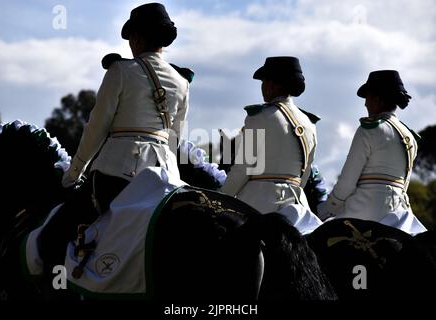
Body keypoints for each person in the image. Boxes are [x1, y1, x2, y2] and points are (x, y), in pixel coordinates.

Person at [61, 2, 189, 213]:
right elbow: (175, 138)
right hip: (168, 177)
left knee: (71, 219)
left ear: (137, 38)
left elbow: (97, 127)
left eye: (131, 38)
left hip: (118, 173)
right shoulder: (182, 82)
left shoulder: (120, 70)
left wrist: (74, 172)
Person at [220, 57, 322, 234]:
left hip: (259, 202)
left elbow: (244, 167)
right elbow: (304, 176)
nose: (262, 87)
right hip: (298, 206)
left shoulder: (259, 116)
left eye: (264, 81)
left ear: (273, 84)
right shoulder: (309, 123)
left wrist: (221, 197)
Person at [317, 70, 427, 235]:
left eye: (367, 98)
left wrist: (326, 210)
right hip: (400, 212)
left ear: (377, 99)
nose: (365, 104)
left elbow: (347, 182)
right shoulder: (409, 136)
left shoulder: (369, 129)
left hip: (366, 210)